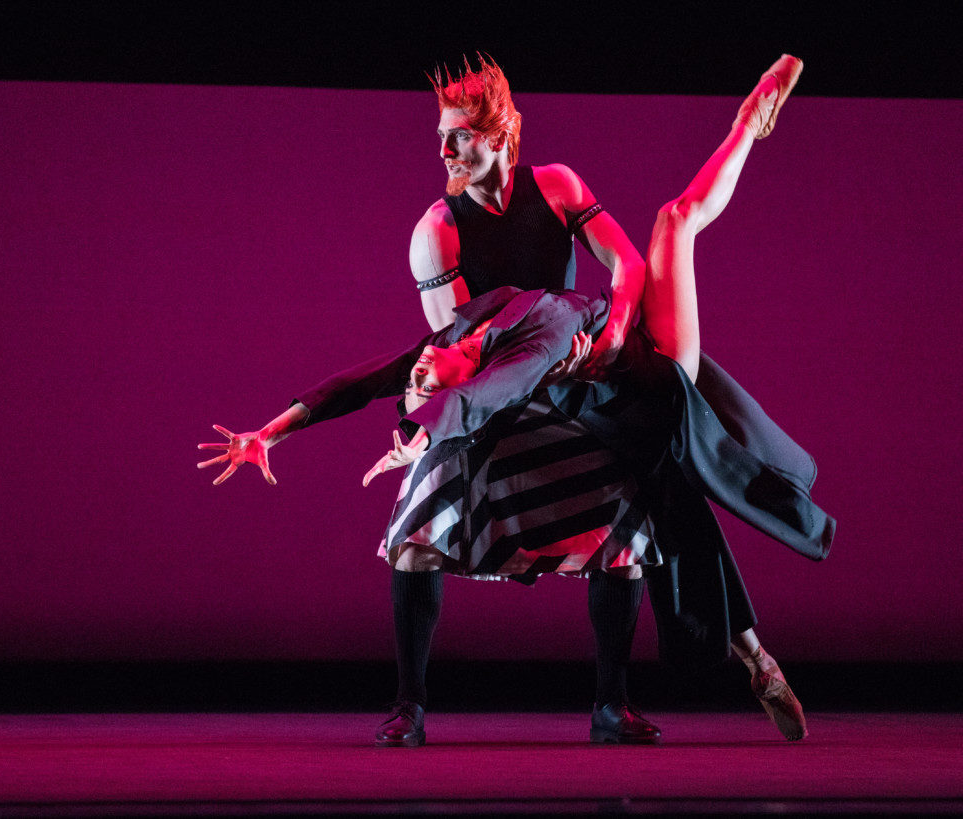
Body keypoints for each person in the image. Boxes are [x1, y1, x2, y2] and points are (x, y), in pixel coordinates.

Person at [199, 55, 833, 745]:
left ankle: (749, 123)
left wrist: (617, 329)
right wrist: (281, 430)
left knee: (674, 222)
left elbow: (622, 266)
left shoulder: (554, 191)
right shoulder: (441, 238)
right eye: (440, 134)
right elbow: (415, 369)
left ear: (499, 136)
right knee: (438, 522)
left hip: (624, 372)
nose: (442, 150)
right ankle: (413, 703)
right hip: (525, 393)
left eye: (458, 135)